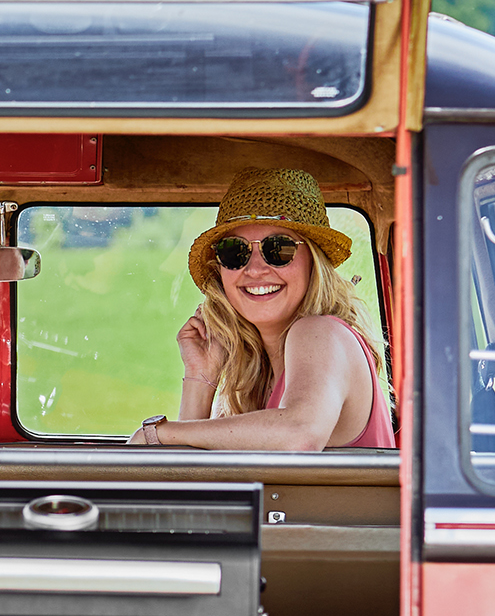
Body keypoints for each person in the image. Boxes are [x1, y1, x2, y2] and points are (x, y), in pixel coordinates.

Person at [127, 168, 396, 451]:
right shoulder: (255, 379)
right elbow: (186, 473)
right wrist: (201, 376)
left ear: (313, 262)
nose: (255, 269)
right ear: (220, 271)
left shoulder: (321, 331)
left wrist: (159, 433)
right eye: (235, 252)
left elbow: (301, 434)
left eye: (279, 249)